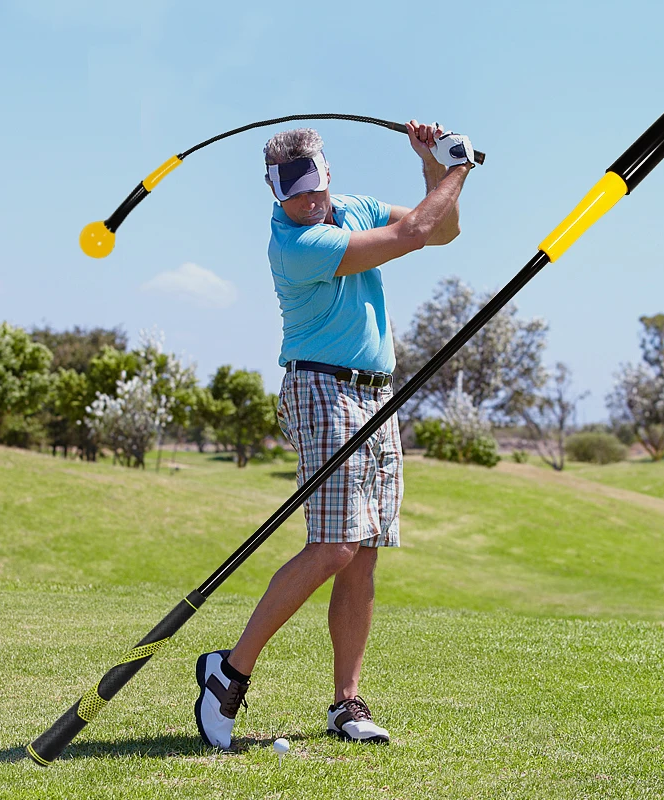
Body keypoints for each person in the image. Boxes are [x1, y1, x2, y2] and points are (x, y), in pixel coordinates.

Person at [194, 120, 474, 749]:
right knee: (335, 547)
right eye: (294, 193)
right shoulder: (298, 244)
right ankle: (227, 674)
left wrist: (436, 171)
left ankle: (346, 703)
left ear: (327, 174)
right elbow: (414, 232)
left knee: (363, 553)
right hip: (321, 386)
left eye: (315, 187)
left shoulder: (352, 208)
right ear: (275, 192)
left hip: (376, 391)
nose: (309, 202)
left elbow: (444, 230)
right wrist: (456, 167)